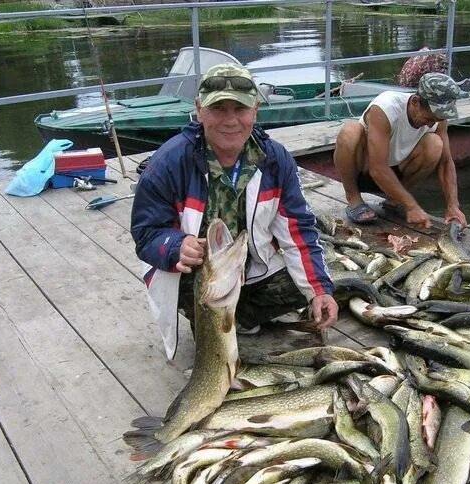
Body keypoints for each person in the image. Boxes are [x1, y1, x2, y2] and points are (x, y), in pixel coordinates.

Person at [131, 63, 338, 359]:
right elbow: (146, 234)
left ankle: (240, 317)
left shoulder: (275, 160)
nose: (230, 121)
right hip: (199, 277)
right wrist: (175, 246)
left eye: (240, 109)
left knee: (318, 280)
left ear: (255, 111)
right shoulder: (168, 163)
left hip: (253, 267)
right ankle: (221, 322)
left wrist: (319, 291)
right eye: (218, 109)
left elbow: (298, 230)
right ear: (199, 110)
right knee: (190, 283)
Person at [333, 72, 470, 227]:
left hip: (398, 174)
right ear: (415, 102)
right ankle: (354, 199)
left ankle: (393, 200)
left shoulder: (437, 118)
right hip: (366, 171)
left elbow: (446, 163)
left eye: (435, 120)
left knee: (435, 144)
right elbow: (377, 168)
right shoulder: (386, 107)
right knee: (350, 131)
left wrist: (453, 206)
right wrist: (412, 205)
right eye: (428, 119)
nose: (430, 125)